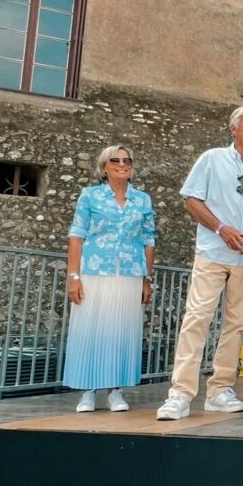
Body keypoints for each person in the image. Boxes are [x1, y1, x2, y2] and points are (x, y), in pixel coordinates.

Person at [156, 106, 243, 420]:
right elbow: (191, 200)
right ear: (233, 129)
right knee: (196, 318)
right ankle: (180, 394)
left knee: (237, 325)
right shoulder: (211, 159)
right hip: (213, 251)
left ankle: (220, 389)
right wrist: (221, 228)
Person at [64, 145, 155, 413]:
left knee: (122, 329)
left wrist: (146, 279)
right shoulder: (90, 196)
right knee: (90, 327)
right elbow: (77, 235)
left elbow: (149, 240)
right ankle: (88, 391)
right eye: (115, 160)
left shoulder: (143, 200)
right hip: (94, 270)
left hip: (130, 272)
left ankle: (116, 390)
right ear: (104, 166)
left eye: (127, 160)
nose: (122, 163)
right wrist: (73, 276)